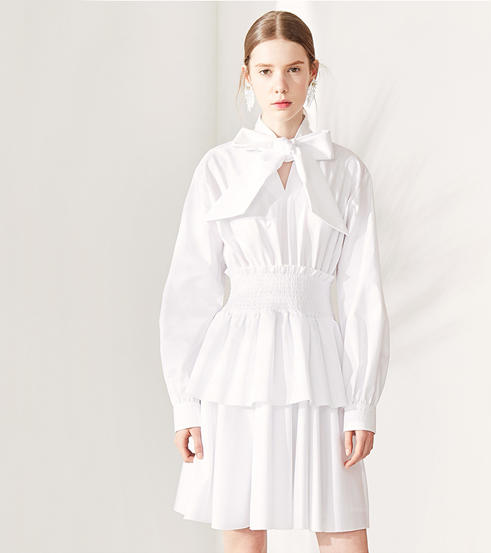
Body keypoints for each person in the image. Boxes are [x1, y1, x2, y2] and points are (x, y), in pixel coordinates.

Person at [158, 10, 390, 553]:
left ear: (313, 72)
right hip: (236, 369)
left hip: (320, 367)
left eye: (292, 69)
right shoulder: (218, 169)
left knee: (342, 529)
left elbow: (362, 292)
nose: (279, 85)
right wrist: (185, 402)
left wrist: (362, 403)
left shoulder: (346, 171)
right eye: (265, 71)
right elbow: (190, 288)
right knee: (242, 527)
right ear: (247, 76)